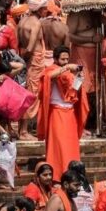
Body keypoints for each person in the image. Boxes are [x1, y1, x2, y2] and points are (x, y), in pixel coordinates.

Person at [37, 46, 86, 179]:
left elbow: (74, 90)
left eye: (67, 59)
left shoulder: (69, 73)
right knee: (58, 145)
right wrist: (67, 67)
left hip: (69, 113)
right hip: (57, 112)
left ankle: (73, 173)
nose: (65, 61)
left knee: (71, 145)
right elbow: (48, 77)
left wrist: (79, 79)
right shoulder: (52, 69)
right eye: (62, 59)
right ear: (55, 59)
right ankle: (58, 174)